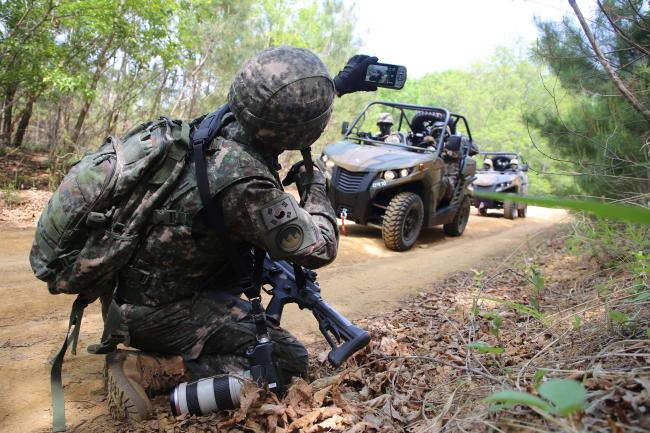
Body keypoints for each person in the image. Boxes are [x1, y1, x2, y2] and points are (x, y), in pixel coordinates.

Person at [104, 47, 378, 421]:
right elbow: (320, 248)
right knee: (286, 363)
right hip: (157, 313)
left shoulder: (221, 123)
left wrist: (337, 85)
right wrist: (316, 187)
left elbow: (274, 101)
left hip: (135, 292)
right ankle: (156, 366)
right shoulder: (242, 179)